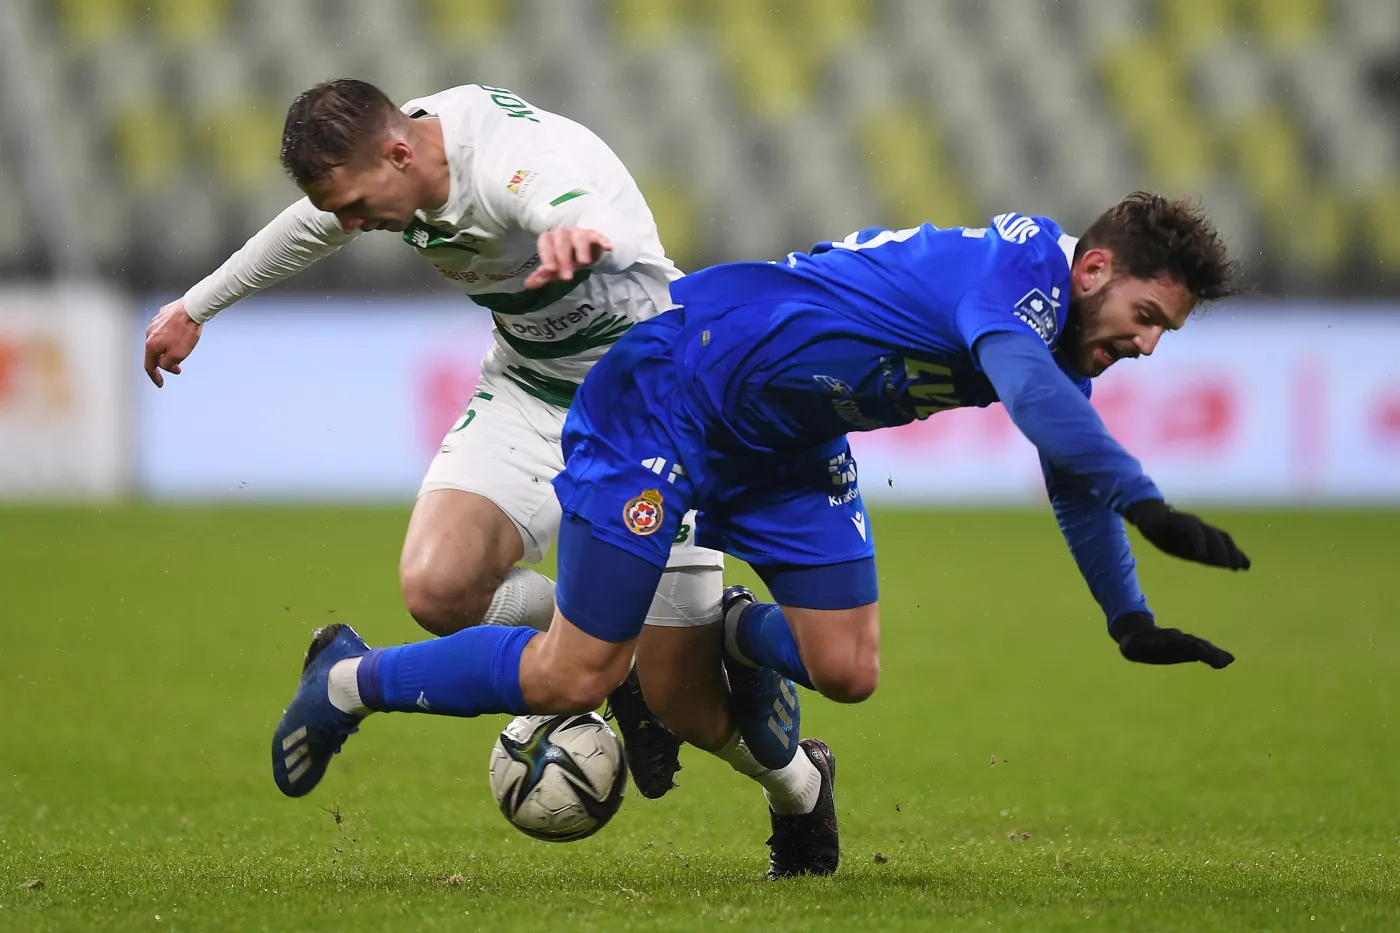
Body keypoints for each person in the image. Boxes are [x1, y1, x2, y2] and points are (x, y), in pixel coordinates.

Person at [274, 191, 1247, 876]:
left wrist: (1127, 616)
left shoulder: (1054, 334)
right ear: (1094, 270)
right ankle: (350, 679)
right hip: (672, 392)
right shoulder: (1020, 269)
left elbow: (1069, 471)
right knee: (579, 676)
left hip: (786, 440)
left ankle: (728, 623)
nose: (1147, 345)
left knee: (846, 670)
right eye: (1145, 316)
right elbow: (1034, 399)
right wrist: (1147, 501)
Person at [143, 79, 834, 873]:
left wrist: (578, 234)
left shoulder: (515, 164)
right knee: (438, 588)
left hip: (649, 406)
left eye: (363, 205)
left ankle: (799, 788)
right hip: (530, 390)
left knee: (685, 698)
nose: (358, 224)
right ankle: (628, 647)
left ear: (400, 153)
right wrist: (197, 307)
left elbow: (575, 200)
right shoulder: (396, 158)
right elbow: (313, 226)